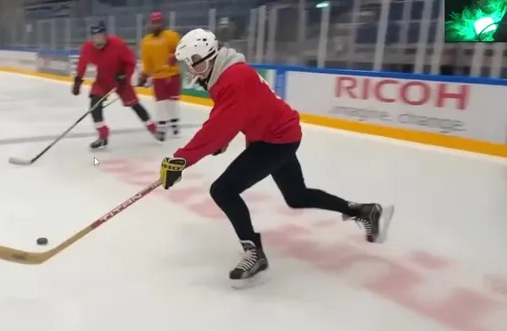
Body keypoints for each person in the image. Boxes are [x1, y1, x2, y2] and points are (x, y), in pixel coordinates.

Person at [159, 29, 390, 282]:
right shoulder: (226, 73)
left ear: (210, 56)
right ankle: (363, 211)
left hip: (275, 141)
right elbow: (234, 116)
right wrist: (221, 140)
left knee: (223, 191)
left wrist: (180, 160)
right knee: (297, 196)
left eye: (194, 63)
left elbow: (217, 127)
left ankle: (253, 251)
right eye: (189, 65)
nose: (192, 70)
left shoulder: (233, 78)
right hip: (278, 135)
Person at [73, 22, 165, 150]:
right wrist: (78, 81)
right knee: (95, 104)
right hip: (103, 79)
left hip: (120, 78)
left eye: (100, 36)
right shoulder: (88, 48)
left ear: (106, 35)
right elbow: (82, 64)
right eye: (95, 37)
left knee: (134, 104)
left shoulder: (117, 44)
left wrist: (125, 75)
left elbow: (130, 61)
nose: (97, 40)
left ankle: (153, 129)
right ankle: (103, 136)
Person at [137, 11, 183, 137]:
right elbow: (147, 61)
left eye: (158, 22)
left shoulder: (172, 36)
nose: (156, 25)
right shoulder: (145, 41)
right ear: (150, 24)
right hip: (158, 77)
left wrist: (176, 56)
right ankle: (162, 128)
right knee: (160, 103)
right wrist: (144, 75)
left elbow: (182, 48)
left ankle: (175, 125)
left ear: (162, 23)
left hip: (173, 74)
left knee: (172, 102)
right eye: (154, 23)